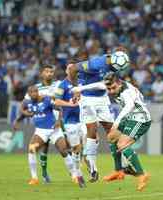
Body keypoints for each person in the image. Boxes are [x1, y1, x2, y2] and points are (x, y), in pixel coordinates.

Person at [68, 50, 127, 182]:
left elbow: (104, 85)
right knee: (92, 130)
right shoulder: (94, 63)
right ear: (112, 60)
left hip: (102, 99)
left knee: (112, 131)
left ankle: (121, 166)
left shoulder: (113, 64)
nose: (114, 70)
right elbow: (72, 68)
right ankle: (93, 169)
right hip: (87, 99)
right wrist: (75, 88)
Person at [14, 85, 80, 186]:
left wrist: (58, 121)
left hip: (54, 130)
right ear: (29, 94)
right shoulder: (28, 102)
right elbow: (22, 108)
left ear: (37, 92)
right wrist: (21, 118)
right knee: (31, 149)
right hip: (40, 131)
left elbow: (59, 109)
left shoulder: (47, 99)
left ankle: (75, 176)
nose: (33, 94)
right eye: (31, 93)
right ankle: (34, 178)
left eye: (35, 92)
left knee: (63, 151)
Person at [102, 73, 151, 191]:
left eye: (113, 88)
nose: (111, 91)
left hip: (141, 119)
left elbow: (129, 105)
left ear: (119, 83)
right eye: (108, 89)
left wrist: (116, 122)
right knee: (111, 137)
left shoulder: (126, 91)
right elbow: (98, 85)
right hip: (130, 118)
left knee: (122, 144)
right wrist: (79, 89)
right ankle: (119, 171)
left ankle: (142, 174)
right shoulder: (119, 85)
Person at [14, 65, 59, 183]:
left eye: (51, 72)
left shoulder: (58, 84)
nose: (49, 73)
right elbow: (26, 105)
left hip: (60, 120)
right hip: (44, 122)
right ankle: (43, 173)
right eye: (47, 71)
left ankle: (75, 174)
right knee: (44, 148)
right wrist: (19, 119)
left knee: (68, 147)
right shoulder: (35, 89)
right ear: (42, 74)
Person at [54, 64, 86, 187]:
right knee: (76, 148)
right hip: (70, 121)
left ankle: (80, 167)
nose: (73, 71)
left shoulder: (82, 82)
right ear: (67, 71)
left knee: (88, 142)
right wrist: (69, 104)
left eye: (75, 69)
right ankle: (77, 173)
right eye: (70, 69)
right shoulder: (62, 85)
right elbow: (56, 101)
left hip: (83, 118)